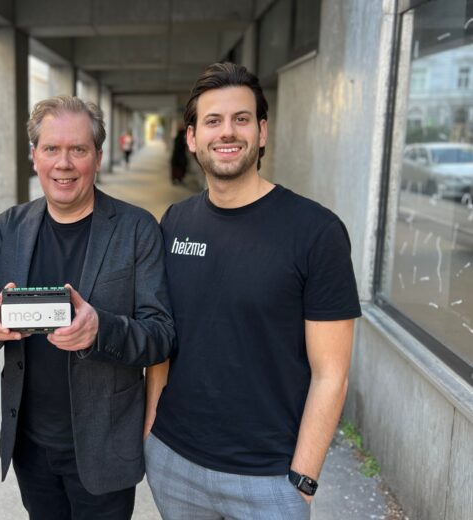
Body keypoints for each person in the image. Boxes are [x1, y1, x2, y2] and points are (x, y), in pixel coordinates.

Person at [143, 62, 361, 520]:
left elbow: (332, 375)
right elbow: (163, 341)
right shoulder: (176, 222)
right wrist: (151, 433)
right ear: (191, 137)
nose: (227, 132)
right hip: (174, 463)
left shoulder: (316, 232)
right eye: (213, 121)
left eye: (241, 119)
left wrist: (302, 479)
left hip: (269, 481)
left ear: (262, 132)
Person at [0, 96, 174, 520]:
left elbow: (162, 333)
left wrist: (101, 330)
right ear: (34, 156)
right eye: (51, 149)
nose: (64, 163)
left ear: (97, 156)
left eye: (78, 149)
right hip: (31, 446)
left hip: (104, 446)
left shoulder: (137, 229)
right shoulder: (10, 227)